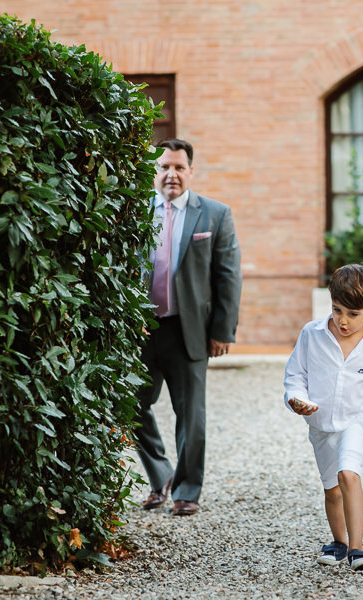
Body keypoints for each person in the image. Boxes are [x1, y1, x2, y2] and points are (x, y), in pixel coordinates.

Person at [135, 139, 242, 517]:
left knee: (191, 416)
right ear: (155, 171)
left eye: (179, 167)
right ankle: (160, 474)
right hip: (141, 330)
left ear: (190, 172)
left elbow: (229, 277)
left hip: (189, 330)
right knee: (131, 406)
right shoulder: (132, 213)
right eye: (164, 167)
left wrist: (223, 331)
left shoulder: (214, 214)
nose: (171, 174)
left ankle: (186, 491)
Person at [284, 264, 363, 571]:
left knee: (349, 475)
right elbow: (294, 376)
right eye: (337, 310)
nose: (343, 320)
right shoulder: (311, 334)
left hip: (357, 419)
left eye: (354, 314)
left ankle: (358, 548)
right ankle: (339, 542)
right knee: (331, 488)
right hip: (320, 425)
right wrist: (296, 400)